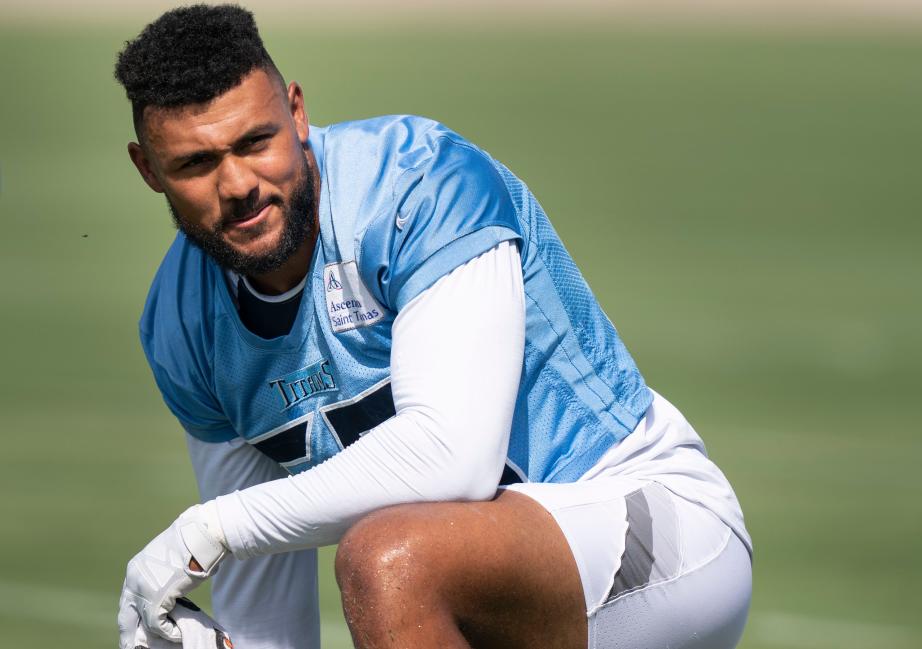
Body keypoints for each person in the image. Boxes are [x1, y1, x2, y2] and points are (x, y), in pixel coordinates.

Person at [114, 5, 752, 649]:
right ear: (148, 171)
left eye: (256, 142)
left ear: (297, 113)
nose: (238, 185)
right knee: (392, 560)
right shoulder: (182, 326)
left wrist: (212, 531)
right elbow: (268, 624)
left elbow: (453, 461)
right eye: (196, 164)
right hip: (480, 588)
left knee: (389, 559)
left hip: (651, 532)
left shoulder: (416, 184)